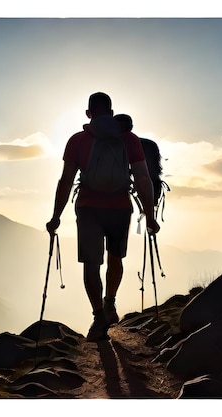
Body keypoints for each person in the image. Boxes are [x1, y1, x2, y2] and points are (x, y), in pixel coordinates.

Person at [46, 92, 160, 342]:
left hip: (88, 207)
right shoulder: (128, 139)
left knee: (91, 264)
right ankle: (110, 302)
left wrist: (56, 216)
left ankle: (98, 317)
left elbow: (65, 180)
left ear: (88, 114)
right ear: (111, 112)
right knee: (115, 258)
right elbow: (142, 177)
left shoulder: (77, 140)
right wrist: (150, 216)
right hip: (120, 206)